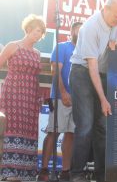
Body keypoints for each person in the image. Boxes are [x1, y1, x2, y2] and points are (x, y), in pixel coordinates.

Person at [69, 0, 117, 182]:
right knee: (86, 125)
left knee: (102, 127)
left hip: (104, 75)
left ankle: (102, 175)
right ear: (106, 8)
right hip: (83, 73)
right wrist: (103, 99)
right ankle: (76, 174)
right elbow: (92, 68)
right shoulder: (90, 27)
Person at [0, 14, 46, 181]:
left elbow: (36, 77)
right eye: (36, 31)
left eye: (41, 32)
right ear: (28, 30)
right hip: (12, 93)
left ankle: (25, 172)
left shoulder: (37, 53)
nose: (38, 35)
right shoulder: (13, 46)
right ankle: (10, 171)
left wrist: (39, 97)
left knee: (28, 130)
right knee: (11, 127)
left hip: (30, 95)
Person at [37, 22, 82, 181]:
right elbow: (55, 70)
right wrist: (63, 93)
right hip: (59, 98)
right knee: (53, 133)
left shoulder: (85, 51)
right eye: (78, 28)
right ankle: (43, 171)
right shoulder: (62, 47)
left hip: (79, 101)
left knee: (71, 135)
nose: (81, 31)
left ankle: (65, 172)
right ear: (72, 31)